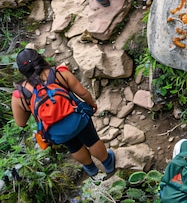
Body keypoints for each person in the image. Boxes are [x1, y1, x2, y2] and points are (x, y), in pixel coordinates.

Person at [11, 47, 116, 177]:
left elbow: (20, 123)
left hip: (55, 129)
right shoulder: (59, 73)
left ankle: (92, 170)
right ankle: (108, 163)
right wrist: (92, 104)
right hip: (77, 117)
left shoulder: (19, 94)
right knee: (92, 140)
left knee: (74, 146)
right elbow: (83, 93)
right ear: (40, 58)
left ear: (21, 70)